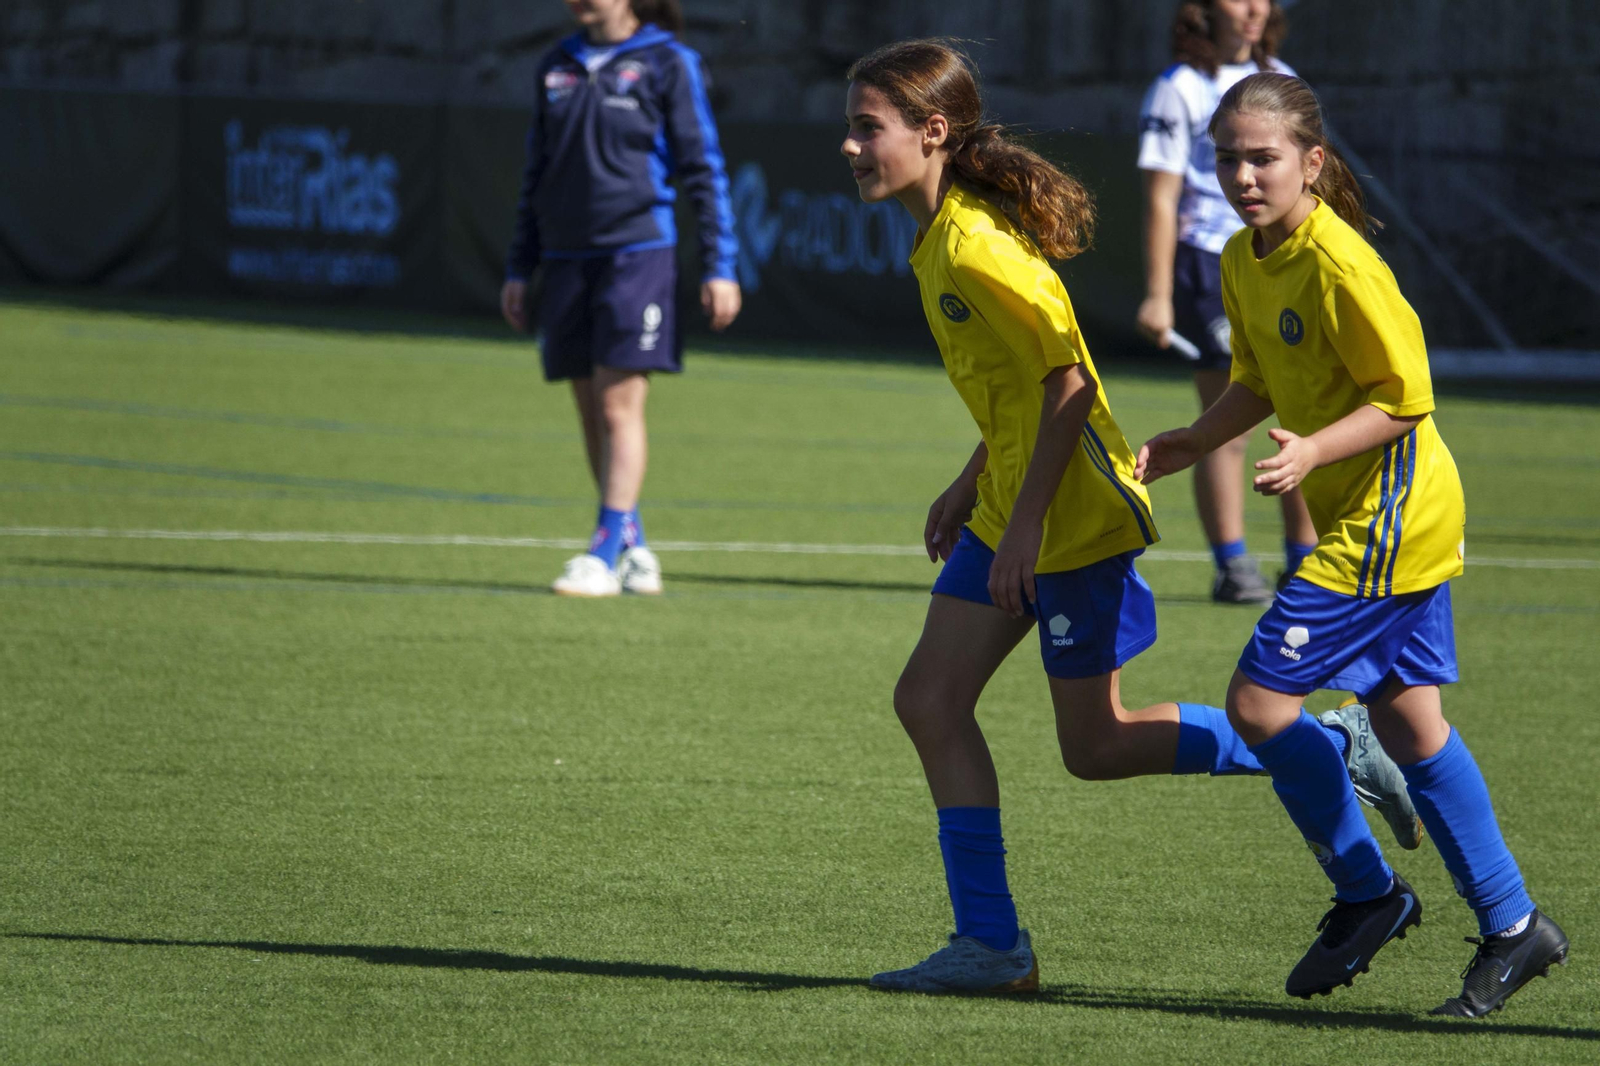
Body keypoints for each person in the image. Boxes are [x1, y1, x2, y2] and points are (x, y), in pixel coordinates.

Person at [840, 39, 1419, 997]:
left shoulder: (977, 247)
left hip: (1072, 518)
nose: (852, 147)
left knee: (1095, 746)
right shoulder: (941, 235)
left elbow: (1070, 387)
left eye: (869, 128)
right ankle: (991, 944)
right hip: (1014, 503)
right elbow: (1015, 388)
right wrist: (972, 480)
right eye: (851, 129)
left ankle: (1323, 743)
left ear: (932, 131)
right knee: (929, 702)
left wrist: (1025, 526)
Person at [1136, 73, 1569, 1015]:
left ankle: (1368, 893)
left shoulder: (1341, 264)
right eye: (1228, 159)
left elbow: (1405, 397)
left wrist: (1313, 451)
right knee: (1413, 727)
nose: (1243, 177)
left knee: (1259, 704)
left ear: (1313, 163)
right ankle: (1515, 926)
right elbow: (1258, 379)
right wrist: (1195, 440)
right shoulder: (1243, 256)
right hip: (1370, 518)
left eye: (1264, 158)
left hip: (1391, 520)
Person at [501, 0, 741, 597]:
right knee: (590, 410)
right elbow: (536, 171)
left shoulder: (669, 62)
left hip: (638, 255)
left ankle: (602, 553)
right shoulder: (556, 64)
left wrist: (720, 266)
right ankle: (632, 546)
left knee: (617, 407)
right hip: (564, 259)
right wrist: (519, 265)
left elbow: (703, 168)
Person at [1136, 0, 1317, 603]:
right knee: (1227, 423)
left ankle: (1306, 565)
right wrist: (1159, 293)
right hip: (1209, 266)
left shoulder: (1282, 77)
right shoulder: (1180, 87)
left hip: (1283, 260)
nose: (1255, 8)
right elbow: (1161, 198)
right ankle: (1233, 565)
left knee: (1302, 414)